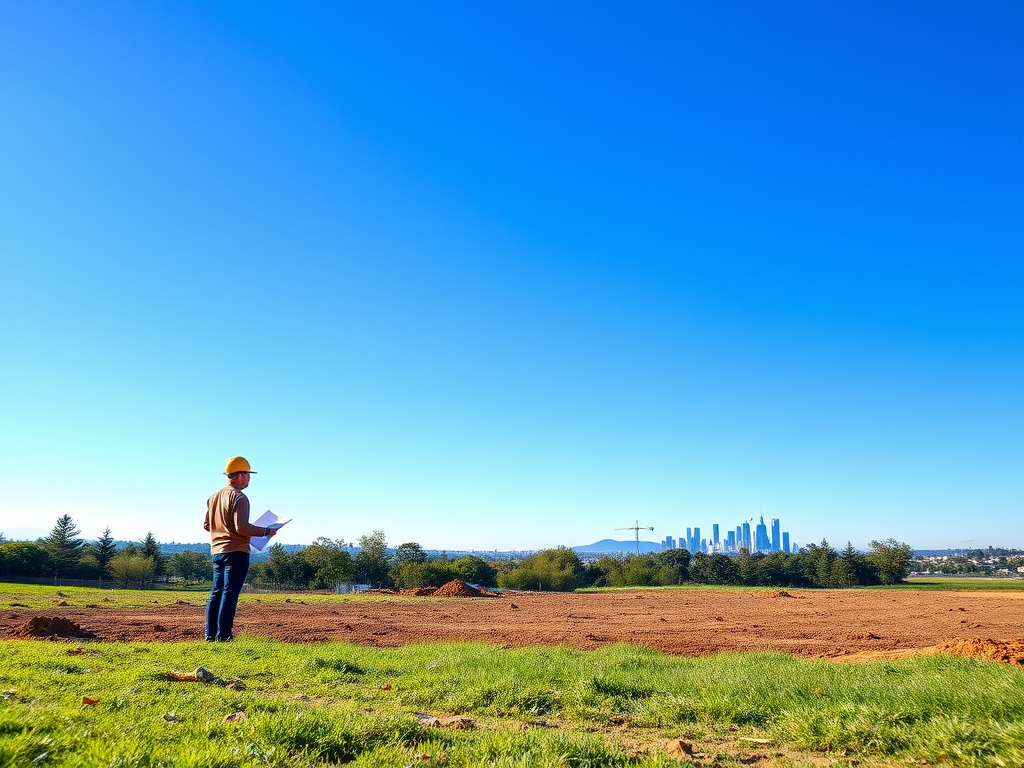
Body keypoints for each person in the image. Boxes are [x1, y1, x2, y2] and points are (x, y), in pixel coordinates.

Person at [204, 456, 276, 641]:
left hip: (216, 552)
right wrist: (267, 531)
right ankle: (224, 636)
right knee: (230, 593)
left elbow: (206, 525)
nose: (250, 479)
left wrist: (221, 530)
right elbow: (241, 528)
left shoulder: (213, 497)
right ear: (240, 475)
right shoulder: (240, 498)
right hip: (236, 552)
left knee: (216, 592)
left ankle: (209, 635)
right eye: (248, 474)